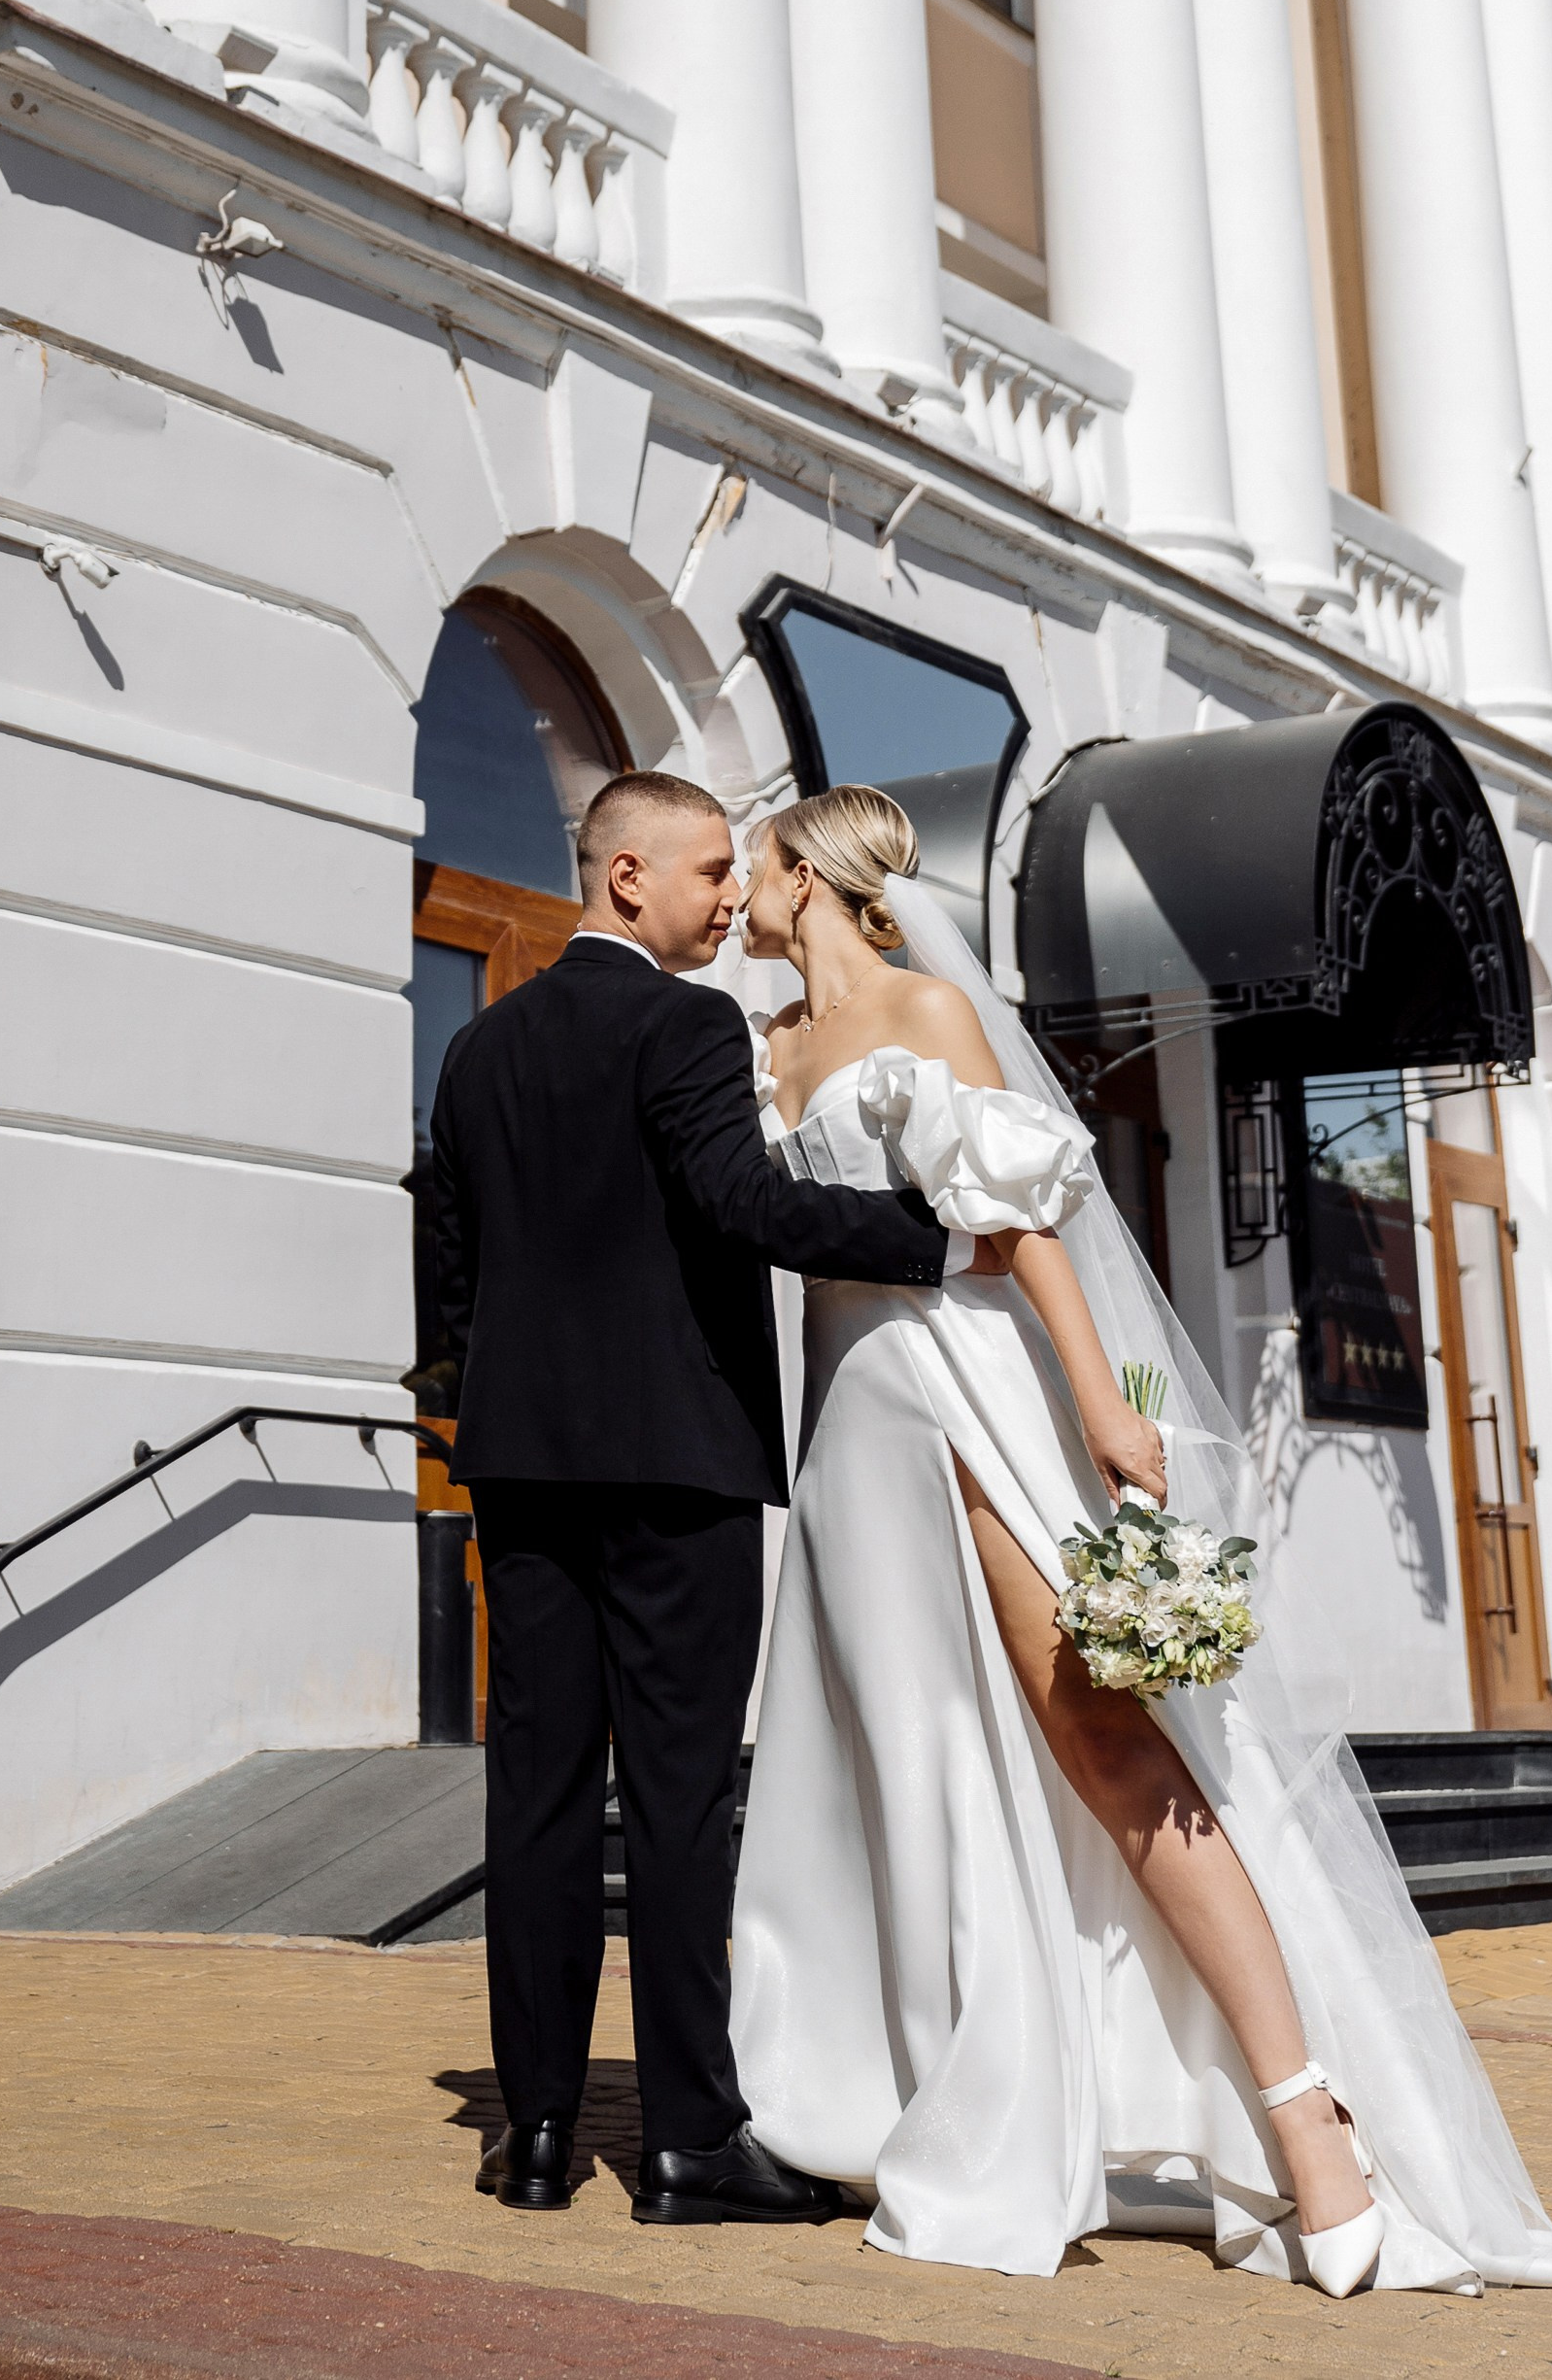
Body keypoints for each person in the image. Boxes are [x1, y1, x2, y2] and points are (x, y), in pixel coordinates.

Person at [731, 782, 1552, 2299]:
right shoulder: (764, 1052)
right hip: (844, 1427)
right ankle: (975, 2105)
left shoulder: (926, 1005)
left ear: (803, 873)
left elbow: (1026, 1220)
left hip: (967, 1388)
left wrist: (1099, 1413)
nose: (734, 891)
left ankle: (1311, 2119)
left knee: (1108, 1744)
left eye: (752, 865)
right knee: (905, 1763)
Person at [426, 767, 980, 2229]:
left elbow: (449, 1266)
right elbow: (740, 1202)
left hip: (519, 1468)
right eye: (710, 869)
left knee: (534, 1797)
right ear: (627, 880)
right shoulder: (686, 1025)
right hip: (674, 1462)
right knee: (678, 1800)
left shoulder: (479, 1051)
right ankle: (685, 2143)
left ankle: (534, 2134)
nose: (732, 894)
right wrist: (934, 1233)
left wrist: (472, 1400)